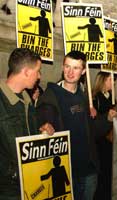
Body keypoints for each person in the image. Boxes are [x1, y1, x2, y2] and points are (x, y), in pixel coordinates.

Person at [36, 51, 116, 200]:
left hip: (88, 170)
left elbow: (91, 131)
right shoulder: (50, 97)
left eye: (76, 68)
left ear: (84, 71)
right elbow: (39, 130)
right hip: (66, 172)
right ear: (62, 67)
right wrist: (42, 128)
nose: (70, 72)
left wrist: (107, 119)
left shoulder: (83, 96)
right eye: (67, 66)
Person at [0, 48, 54, 200]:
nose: (39, 76)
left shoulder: (27, 101)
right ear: (26, 72)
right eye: (38, 71)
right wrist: (15, 172)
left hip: (29, 185)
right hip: (7, 190)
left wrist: (40, 132)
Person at [92, 71, 114, 200]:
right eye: (111, 79)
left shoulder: (111, 97)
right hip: (100, 142)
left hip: (110, 140)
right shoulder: (95, 98)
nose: (113, 82)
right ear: (103, 81)